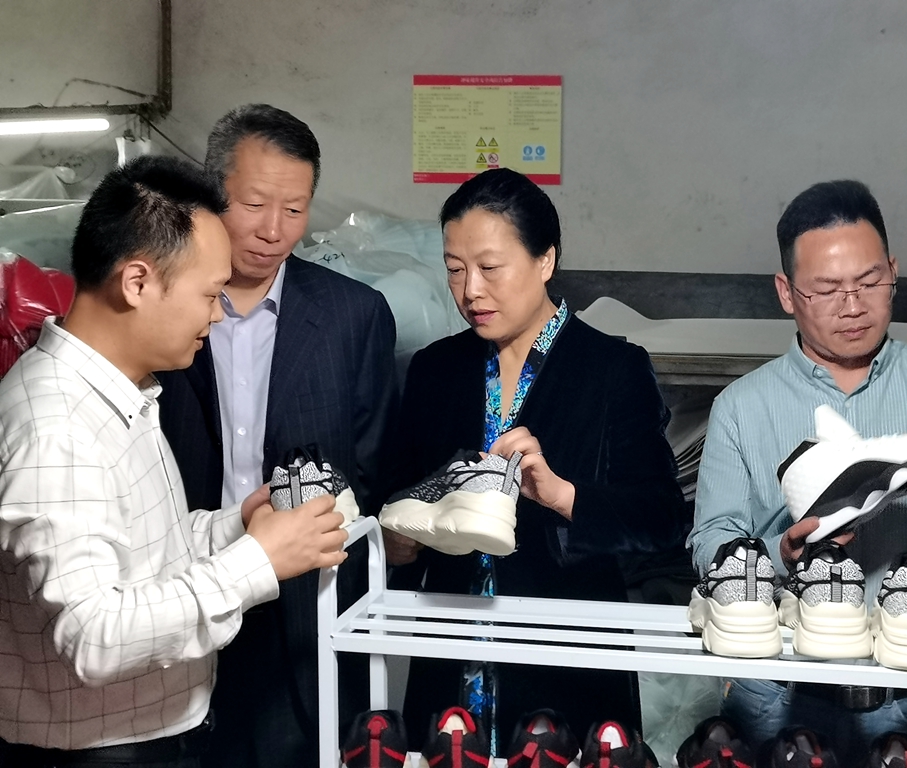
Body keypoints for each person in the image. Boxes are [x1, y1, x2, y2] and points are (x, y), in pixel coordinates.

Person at [0, 156, 349, 768]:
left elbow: (139, 556)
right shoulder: (58, 428)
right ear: (137, 282)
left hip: (152, 738)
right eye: (210, 294)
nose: (216, 315)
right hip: (103, 755)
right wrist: (257, 561)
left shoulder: (120, 395)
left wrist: (237, 526)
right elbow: (94, 635)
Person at [688, 179, 907, 764]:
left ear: (894, 273)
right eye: (826, 289)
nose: (852, 305)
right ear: (787, 293)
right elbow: (710, 541)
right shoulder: (741, 406)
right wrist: (781, 554)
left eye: (869, 282)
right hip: (779, 689)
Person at [385, 168, 687, 752]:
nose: (471, 290)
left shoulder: (611, 369)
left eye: (490, 268)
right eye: (454, 269)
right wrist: (399, 539)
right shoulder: (434, 370)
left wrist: (562, 495)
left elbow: (662, 519)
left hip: (568, 660)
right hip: (451, 651)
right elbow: (397, 495)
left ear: (545, 260)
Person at [157, 104, 398, 768]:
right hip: (180, 594)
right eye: (254, 204)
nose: (273, 230)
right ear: (213, 194)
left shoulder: (354, 316)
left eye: (294, 209)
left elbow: (372, 468)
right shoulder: (159, 306)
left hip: (305, 609)